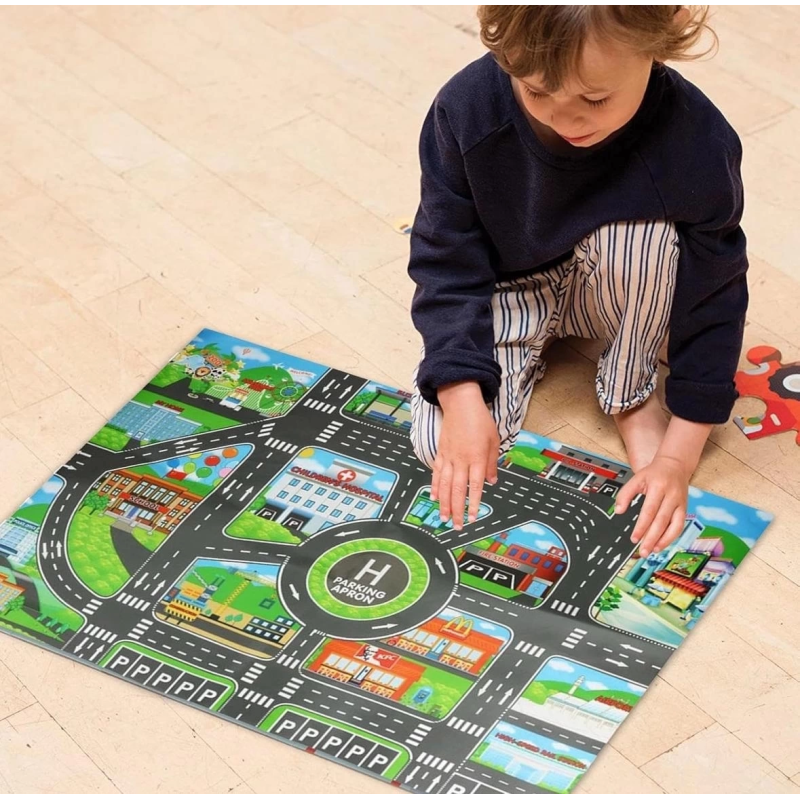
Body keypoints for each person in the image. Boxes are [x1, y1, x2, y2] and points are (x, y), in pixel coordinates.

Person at [407, 6, 747, 559]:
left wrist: (676, 458)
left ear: (657, 45)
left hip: (618, 275)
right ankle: (528, 352)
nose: (565, 118)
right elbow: (446, 260)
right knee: (436, 444)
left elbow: (716, 292)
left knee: (646, 236)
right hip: (513, 289)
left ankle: (630, 394)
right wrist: (462, 395)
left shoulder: (697, 139)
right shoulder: (466, 110)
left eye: (595, 99)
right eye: (537, 91)